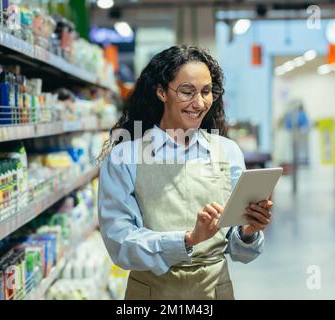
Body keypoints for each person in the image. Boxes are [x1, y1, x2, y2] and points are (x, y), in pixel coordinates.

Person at [98, 45, 273, 300]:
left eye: (206, 92)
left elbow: (239, 252)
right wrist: (188, 240)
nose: (199, 103)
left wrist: (249, 231)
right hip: (152, 293)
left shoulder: (227, 152)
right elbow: (120, 243)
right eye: (187, 92)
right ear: (161, 92)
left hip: (215, 290)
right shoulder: (125, 158)